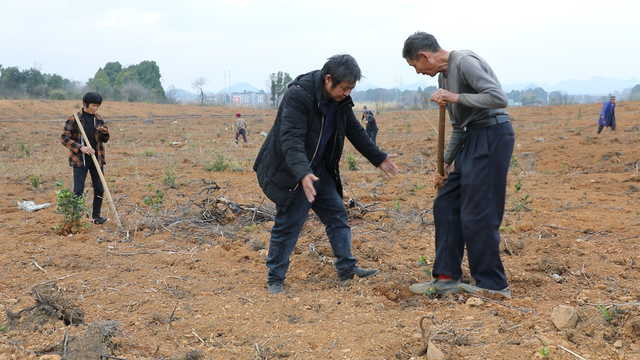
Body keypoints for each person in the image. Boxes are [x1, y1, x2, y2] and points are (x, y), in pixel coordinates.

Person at [253, 54, 399, 295]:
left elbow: (353, 129)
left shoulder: (340, 100)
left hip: (319, 168)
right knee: (289, 224)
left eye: (351, 88)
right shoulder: (299, 96)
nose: (347, 93)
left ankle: (346, 269)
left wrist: (378, 157)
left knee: (337, 216)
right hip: (293, 170)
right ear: (328, 79)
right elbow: (290, 138)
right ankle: (275, 278)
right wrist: (302, 173)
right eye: (344, 88)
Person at [402, 31, 514, 298]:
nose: (417, 72)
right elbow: (459, 127)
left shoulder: (463, 62)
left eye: (414, 65)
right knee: (446, 203)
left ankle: (493, 285)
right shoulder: (443, 76)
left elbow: (498, 98)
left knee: (477, 213)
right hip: (471, 138)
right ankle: (446, 277)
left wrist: (455, 97)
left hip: (492, 136)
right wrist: (444, 164)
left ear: (423, 56)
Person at [60, 92, 110, 224]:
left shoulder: (99, 119)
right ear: (85, 104)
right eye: (93, 105)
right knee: (78, 190)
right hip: (80, 159)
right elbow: (64, 138)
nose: (95, 108)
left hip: (96, 157)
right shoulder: (74, 119)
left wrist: (105, 132)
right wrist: (80, 147)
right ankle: (75, 219)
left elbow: (104, 140)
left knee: (99, 188)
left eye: (98, 106)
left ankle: (96, 217)